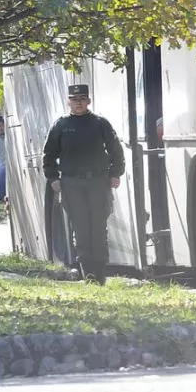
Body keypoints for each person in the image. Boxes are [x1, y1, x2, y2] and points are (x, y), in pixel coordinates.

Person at [42, 84, 125, 285]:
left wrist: (115, 174)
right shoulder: (61, 125)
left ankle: (100, 275)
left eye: (82, 99)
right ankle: (88, 275)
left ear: (89, 101)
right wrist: (53, 178)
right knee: (80, 229)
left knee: (98, 228)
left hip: (97, 182)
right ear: (68, 102)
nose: (78, 103)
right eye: (74, 100)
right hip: (72, 183)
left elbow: (116, 150)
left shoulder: (100, 123)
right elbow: (49, 155)